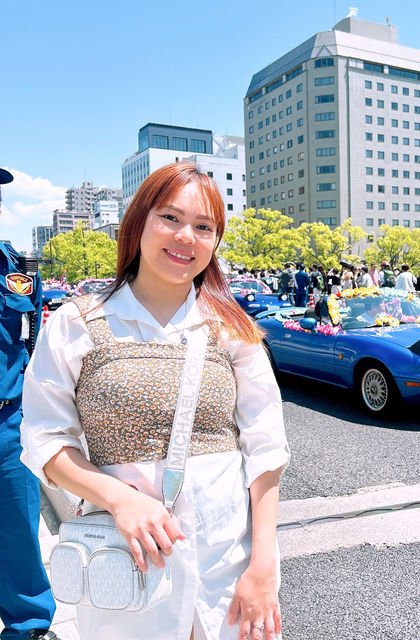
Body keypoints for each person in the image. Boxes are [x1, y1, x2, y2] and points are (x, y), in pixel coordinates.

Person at [20, 164, 290, 640]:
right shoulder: (76, 324)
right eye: (170, 217)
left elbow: (266, 449)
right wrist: (119, 498)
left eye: (204, 227)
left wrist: (265, 564)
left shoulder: (232, 329)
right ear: (138, 222)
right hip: (124, 563)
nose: (187, 236)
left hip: (226, 564)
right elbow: (44, 440)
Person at [1, 168, 60, 640]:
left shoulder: (15, 269)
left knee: (19, 529)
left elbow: (31, 342)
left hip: (7, 420)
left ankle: (28, 627)